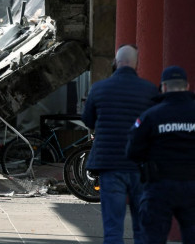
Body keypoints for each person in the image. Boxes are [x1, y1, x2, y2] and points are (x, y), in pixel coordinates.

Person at [81, 44, 157, 244]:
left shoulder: (99, 88)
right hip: (139, 167)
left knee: (113, 227)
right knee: (142, 227)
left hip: (110, 165)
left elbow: (88, 120)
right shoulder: (149, 90)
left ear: (115, 62)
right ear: (135, 64)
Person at [127, 65, 195, 244]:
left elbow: (132, 151)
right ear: (187, 86)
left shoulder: (151, 116)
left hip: (159, 186)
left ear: (163, 87)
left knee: (153, 237)